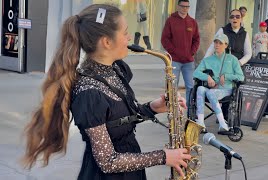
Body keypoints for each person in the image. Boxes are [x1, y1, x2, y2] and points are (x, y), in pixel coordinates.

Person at [21, 4, 191, 180]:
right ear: (106, 42)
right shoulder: (89, 93)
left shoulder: (116, 70)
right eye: (125, 33)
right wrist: (164, 156)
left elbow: (118, 120)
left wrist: (152, 107)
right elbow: (108, 161)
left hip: (131, 172)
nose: (130, 37)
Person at [193, 34, 244, 132]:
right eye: (216, 42)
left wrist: (227, 76)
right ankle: (200, 122)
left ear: (226, 45)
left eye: (220, 43)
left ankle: (222, 123)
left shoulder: (232, 59)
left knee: (210, 92)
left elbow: (241, 77)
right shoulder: (208, 60)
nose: (217, 45)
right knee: (200, 89)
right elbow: (196, 73)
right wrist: (207, 77)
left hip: (226, 89)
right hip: (212, 89)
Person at [161, 0, 200, 107]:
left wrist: (191, 52)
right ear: (178, 7)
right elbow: (165, 39)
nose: (185, 9)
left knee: (190, 86)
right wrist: (173, 51)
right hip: (175, 61)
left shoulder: (192, 22)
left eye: (187, 7)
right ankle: (173, 108)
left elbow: (196, 39)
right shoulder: (171, 20)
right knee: (172, 86)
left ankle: (190, 109)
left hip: (188, 61)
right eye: (183, 6)